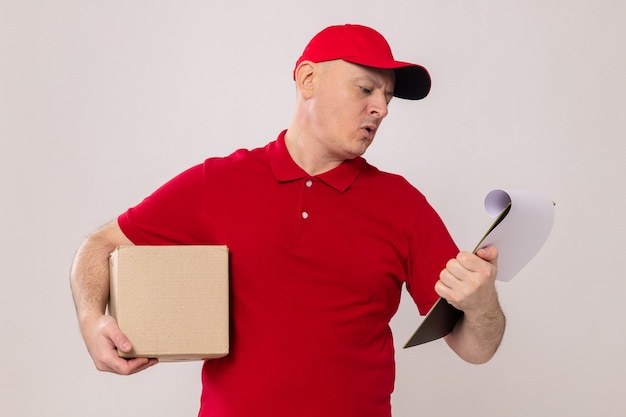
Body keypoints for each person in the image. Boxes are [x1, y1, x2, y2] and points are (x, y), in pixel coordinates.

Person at [70, 24, 505, 417]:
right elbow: (103, 244)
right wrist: (92, 321)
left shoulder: (404, 205)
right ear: (307, 79)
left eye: (387, 98)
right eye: (366, 89)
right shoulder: (218, 183)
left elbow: (474, 348)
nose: (382, 109)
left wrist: (483, 306)